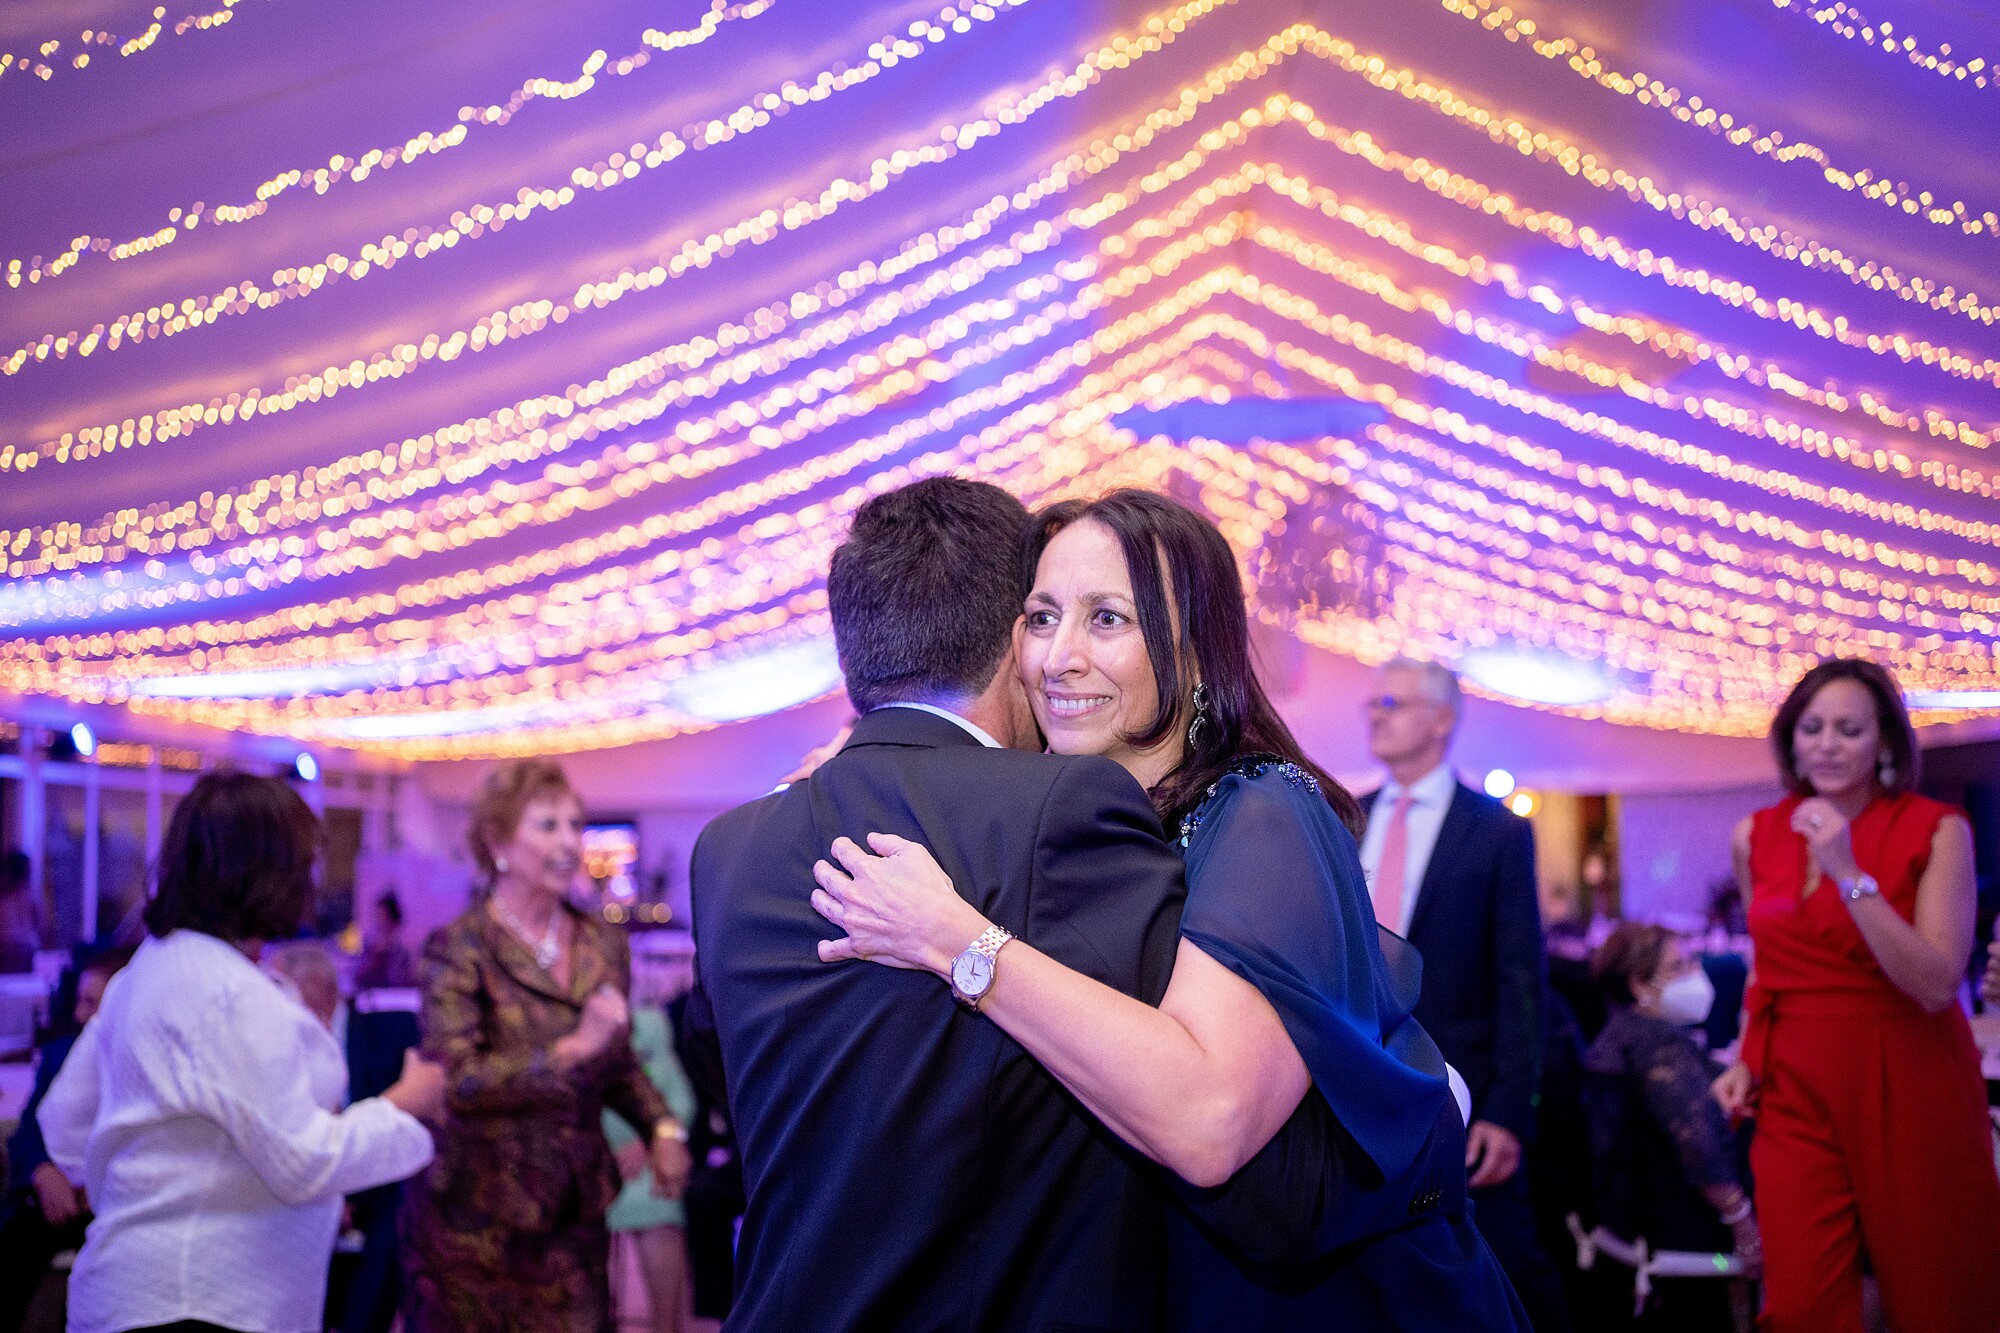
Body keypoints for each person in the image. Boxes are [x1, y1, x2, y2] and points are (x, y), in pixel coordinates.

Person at [809, 487, 1526, 1330]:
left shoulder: (1263, 811)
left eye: (1106, 619)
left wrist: (959, 942)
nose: (1058, 657)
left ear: (1191, 653)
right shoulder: (1089, 823)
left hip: (1341, 1304)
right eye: (1041, 618)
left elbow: (1210, 1120)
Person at [689, 478, 1189, 1333]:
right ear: (1010, 644)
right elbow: (1177, 1073)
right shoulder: (1063, 803)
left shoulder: (727, 850)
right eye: (1040, 618)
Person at [34, 771, 444, 1333]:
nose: (314, 877)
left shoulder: (151, 967)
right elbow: (306, 1161)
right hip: (201, 1301)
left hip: (140, 1291)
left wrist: (157, 1171)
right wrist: (404, 1102)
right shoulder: (225, 991)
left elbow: (66, 1127)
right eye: (306, 860)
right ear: (266, 870)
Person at [1709, 658, 2000, 1332]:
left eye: (1849, 728)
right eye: (1812, 728)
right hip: (1793, 1084)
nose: (1828, 744)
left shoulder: (1938, 829)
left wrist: (1847, 871)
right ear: (1791, 739)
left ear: (1886, 743)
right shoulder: (1754, 833)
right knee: (1802, 1302)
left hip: (1908, 1069)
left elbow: (1934, 983)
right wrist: (1748, 1058)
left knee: (1939, 1292)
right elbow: (1767, 965)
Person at [402, 759, 691, 1333]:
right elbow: (455, 1080)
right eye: (547, 826)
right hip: (473, 1223)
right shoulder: (459, 949)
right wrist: (569, 1052)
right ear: (498, 842)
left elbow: (619, 1063)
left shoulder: (601, 944)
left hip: (575, 1216)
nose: (569, 843)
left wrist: (661, 1129)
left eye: (574, 825)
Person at [1357, 657, 1569, 1331]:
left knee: (1503, 1268)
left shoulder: (1497, 829)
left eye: (1393, 702)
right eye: (1374, 703)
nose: (1376, 713)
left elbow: (1521, 981)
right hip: (1356, 1082)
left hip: (1463, 1090)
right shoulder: (1344, 815)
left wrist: (1508, 1111)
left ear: (1441, 719)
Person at [1581, 924, 1758, 1329]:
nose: (1697, 973)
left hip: (1634, 1241)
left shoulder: (1617, 1035)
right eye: (1679, 967)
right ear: (1640, 985)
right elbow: (1699, 1146)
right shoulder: (1657, 1045)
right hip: (1685, 1251)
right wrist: (1744, 1225)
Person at [267, 941, 423, 1333]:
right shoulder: (271, 1045)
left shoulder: (389, 1032)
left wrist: (346, 1196)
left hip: (374, 1191)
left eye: (281, 986)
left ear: (317, 985)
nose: (271, 998)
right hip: (301, 1189)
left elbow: (409, 1124)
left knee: (397, 1216)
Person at [0, 947, 130, 1333]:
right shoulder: (60, 1055)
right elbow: (29, 1128)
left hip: (111, 1204)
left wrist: (103, 1180)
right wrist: (43, 1172)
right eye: (79, 1002)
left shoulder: (142, 1065)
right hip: (50, 1198)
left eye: (92, 1004)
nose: (79, 1015)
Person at [603, 1005, 698, 1333]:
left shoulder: (652, 1024)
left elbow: (681, 1098)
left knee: (660, 1202)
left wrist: (650, 1140)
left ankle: (666, 1326)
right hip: (596, 1161)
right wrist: (611, 1146)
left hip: (650, 1155)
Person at [354, 891, 418, 990]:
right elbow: (358, 979)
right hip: (371, 998)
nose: (380, 921)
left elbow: (405, 982)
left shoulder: (403, 950)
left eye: (384, 915)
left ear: (394, 919)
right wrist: (375, 958)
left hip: (396, 999)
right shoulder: (370, 946)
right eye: (378, 915)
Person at [0, 849, 41, 972]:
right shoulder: (4, 898)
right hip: (5, 954)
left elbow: (40, 926)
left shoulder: (30, 897)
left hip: (26, 953)